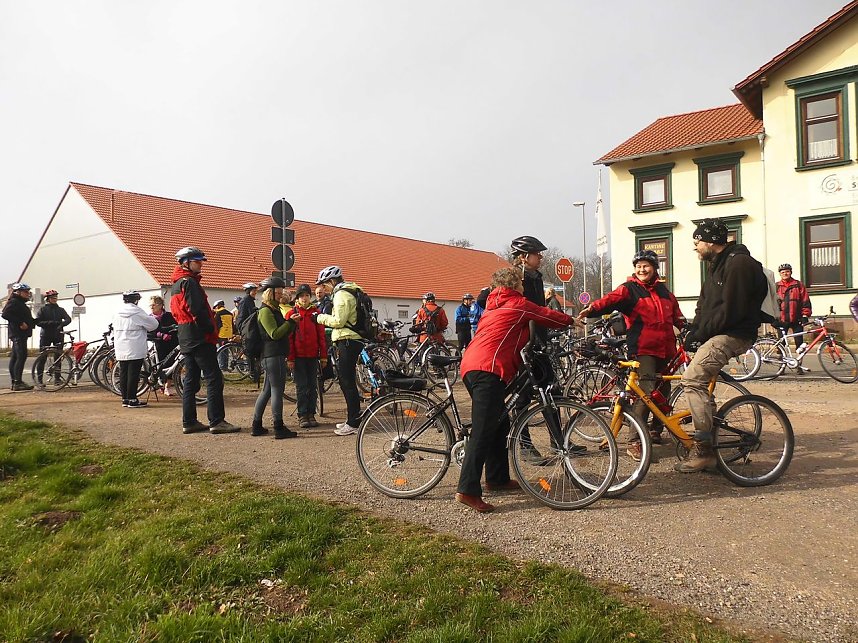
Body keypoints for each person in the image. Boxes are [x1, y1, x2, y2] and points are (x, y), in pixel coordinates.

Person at [455, 267, 580, 513]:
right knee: (482, 431)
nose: (524, 286)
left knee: (499, 423)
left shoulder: (494, 305)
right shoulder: (517, 304)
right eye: (521, 283)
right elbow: (547, 315)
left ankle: (497, 478)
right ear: (515, 285)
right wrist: (571, 320)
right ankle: (467, 489)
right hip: (487, 369)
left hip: (476, 366)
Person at [678, 218, 767, 473]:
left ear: (711, 241)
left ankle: (704, 451)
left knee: (691, 380)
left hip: (734, 333)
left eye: (697, 241)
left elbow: (732, 310)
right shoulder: (716, 264)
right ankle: (711, 435)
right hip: (719, 331)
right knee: (700, 382)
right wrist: (693, 330)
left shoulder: (739, 264)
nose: (695, 246)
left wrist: (703, 333)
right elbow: (705, 304)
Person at [578, 250, 685, 455]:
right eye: (638, 266)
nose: (642, 269)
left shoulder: (664, 292)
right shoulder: (629, 289)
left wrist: (685, 327)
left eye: (646, 266)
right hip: (643, 349)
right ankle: (635, 438)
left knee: (663, 391)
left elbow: (676, 315)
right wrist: (591, 309)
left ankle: (655, 430)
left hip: (666, 349)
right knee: (645, 392)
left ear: (654, 268)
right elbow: (610, 300)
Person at [170, 246, 240, 434]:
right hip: (199, 337)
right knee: (214, 378)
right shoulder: (190, 283)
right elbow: (197, 310)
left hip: (185, 337)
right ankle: (217, 421)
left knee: (191, 381)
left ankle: (189, 421)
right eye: (197, 260)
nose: (201, 263)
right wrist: (209, 329)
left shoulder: (176, 284)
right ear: (186, 262)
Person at [315, 265, 364, 436]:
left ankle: (353, 422)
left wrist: (319, 317)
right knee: (346, 381)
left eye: (324, 284)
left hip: (347, 340)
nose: (322, 288)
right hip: (349, 339)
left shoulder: (342, 294)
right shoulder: (348, 291)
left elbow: (339, 320)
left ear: (331, 281)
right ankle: (353, 418)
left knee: (347, 382)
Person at [251, 276, 298, 439]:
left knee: (267, 391)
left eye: (280, 292)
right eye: (277, 292)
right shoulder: (265, 311)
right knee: (277, 390)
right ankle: (278, 427)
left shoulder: (273, 309)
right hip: (273, 355)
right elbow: (274, 333)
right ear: (270, 293)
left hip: (272, 355)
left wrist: (289, 323)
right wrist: (290, 322)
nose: (280, 295)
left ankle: (256, 425)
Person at [288, 283, 327, 429]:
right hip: (298, 356)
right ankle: (302, 414)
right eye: (301, 296)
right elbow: (289, 338)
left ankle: (311, 413)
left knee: (312, 386)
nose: (304, 298)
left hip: (312, 356)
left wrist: (323, 356)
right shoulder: (292, 313)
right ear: (297, 297)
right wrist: (290, 358)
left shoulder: (315, 313)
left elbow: (321, 336)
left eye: (306, 295)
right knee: (301, 386)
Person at [113, 290, 159, 408]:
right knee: (133, 373)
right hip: (135, 346)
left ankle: (125, 399)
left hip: (120, 346)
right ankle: (133, 399)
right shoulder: (137, 312)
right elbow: (153, 324)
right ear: (136, 300)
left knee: (123, 372)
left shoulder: (117, 312)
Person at [34, 289, 71, 386]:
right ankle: (39, 380)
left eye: (56, 298)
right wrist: (50, 323)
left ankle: (57, 379)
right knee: (43, 357)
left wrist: (61, 324)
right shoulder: (43, 309)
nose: (54, 299)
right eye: (52, 298)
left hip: (58, 334)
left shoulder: (60, 310)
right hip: (46, 335)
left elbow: (68, 319)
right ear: (48, 299)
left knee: (58, 357)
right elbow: (38, 322)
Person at [2, 282, 35, 391]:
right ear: (18, 292)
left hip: (20, 334)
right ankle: (17, 382)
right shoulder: (15, 302)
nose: (28, 294)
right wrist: (20, 323)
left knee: (15, 357)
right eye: (25, 292)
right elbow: (5, 314)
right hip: (18, 334)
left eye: (28, 292)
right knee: (21, 356)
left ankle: (15, 381)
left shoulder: (20, 303)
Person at [776, 263, 812, 358]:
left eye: (787, 271)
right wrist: (773, 318)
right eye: (782, 272)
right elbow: (772, 303)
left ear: (790, 272)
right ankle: (781, 365)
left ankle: (798, 364)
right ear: (780, 274)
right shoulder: (776, 286)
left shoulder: (798, 285)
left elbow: (805, 300)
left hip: (797, 318)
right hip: (782, 319)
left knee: (799, 343)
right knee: (781, 343)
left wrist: (805, 315)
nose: (785, 274)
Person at [149, 296, 178, 395]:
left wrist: (170, 334)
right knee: (160, 364)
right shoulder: (149, 318)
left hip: (171, 343)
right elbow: (150, 331)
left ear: (160, 305)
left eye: (153, 304)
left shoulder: (169, 316)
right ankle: (159, 383)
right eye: (150, 305)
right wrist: (160, 335)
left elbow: (176, 327)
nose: (151, 307)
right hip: (159, 344)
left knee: (171, 364)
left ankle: (167, 387)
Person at [212, 299, 236, 371]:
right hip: (229, 334)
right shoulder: (229, 313)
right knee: (226, 350)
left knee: (222, 350)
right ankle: (225, 365)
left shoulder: (218, 313)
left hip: (221, 334)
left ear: (217, 306)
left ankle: (222, 366)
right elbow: (232, 324)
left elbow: (216, 324)